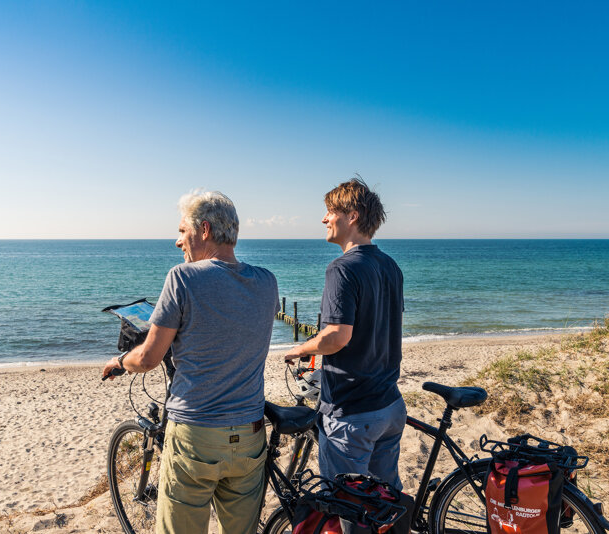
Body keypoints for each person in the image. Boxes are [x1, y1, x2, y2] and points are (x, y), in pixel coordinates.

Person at [103, 190, 279, 534]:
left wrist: (121, 360)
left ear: (205, 230)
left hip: (196, 435)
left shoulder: (182, 278)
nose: (177, 241)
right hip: (249, 435)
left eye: (182, 231)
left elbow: (150, 357)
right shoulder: (267, 281)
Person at [284, 177, 406, 489]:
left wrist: (300, 350)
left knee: (347, 505)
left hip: (353, 412)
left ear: (352, 215)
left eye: (330, 211)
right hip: (390, 406)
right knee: (382, 502)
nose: (324, 218)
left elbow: (338, 336)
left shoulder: (342, 268)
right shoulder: (391, 266)